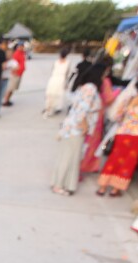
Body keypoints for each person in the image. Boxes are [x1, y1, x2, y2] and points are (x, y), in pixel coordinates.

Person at [96, 73, 138, 197]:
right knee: (128, 162)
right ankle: (115, 189)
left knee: (114, 159)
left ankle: (102, 187)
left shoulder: (130, 99)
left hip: (122, 133)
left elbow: (117, 116)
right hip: (137, 136)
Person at [51, 64, 104, 195]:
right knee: (69, 157)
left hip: (72, 127)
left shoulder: (85, 87)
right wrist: (85, 125)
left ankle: (62, 183)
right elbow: (82, 109)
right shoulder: (90, 89)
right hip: (76, 128)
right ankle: (60, 184)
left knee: (69, 156)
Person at [80, 58, 119, 174]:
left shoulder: (87, 85)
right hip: (95, 117)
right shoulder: (101, 84)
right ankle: (87, 165)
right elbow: (109, 98)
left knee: (85, 142)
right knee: (91, 141)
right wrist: (118, 92)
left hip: (87, 118)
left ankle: (82, 165)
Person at [44, 48, 72, 117]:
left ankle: (49, 107)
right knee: (58, 94)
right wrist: (67, 82)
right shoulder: (68, 62)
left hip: (54, 78)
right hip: (61, 79)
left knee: (50, 93)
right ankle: (57, 107)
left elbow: (53, 69)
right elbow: (68, 73)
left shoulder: (56, 62)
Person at [0, 55, 17, 120]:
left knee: (0, 96)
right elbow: (2, 68)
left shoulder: (12, 62)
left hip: (5, 80)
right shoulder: (1, 60)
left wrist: (9, 67)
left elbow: (17, 67)